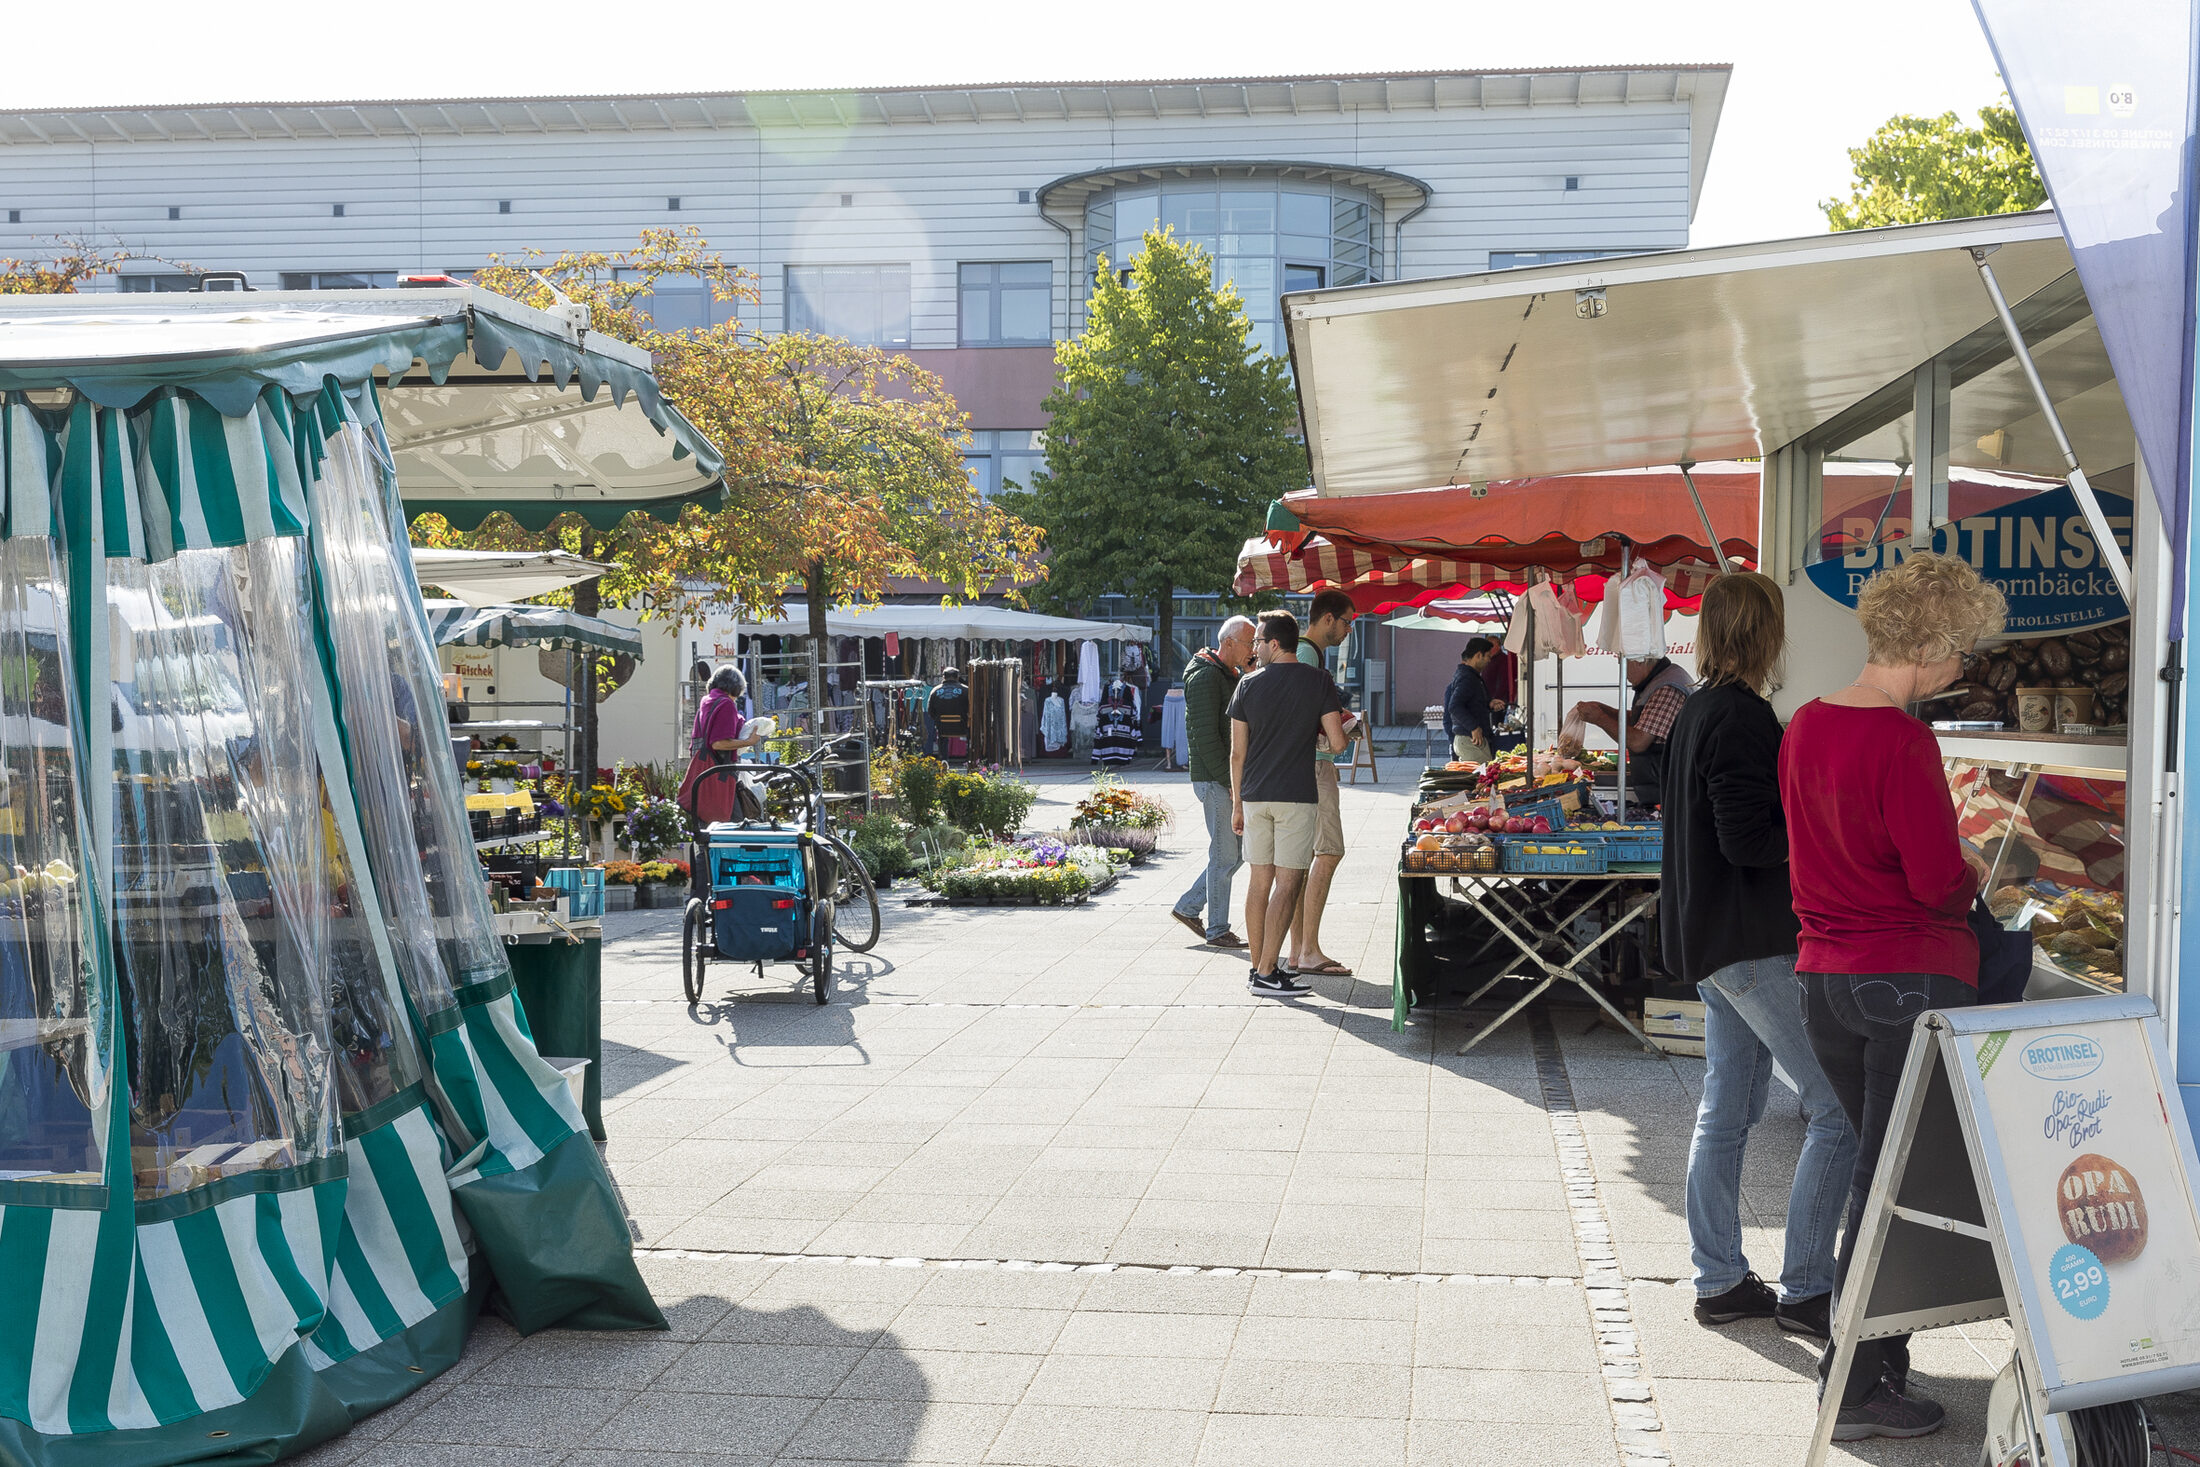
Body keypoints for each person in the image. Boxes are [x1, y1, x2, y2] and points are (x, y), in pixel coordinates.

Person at [1779, 551, 2006, 1443]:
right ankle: (1855, 1383)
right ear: (1935, 642)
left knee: (1877, 1173)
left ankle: (1875, 1359)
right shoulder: (1906, 740)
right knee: (1887, 1185)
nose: (1965, 666)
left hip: (1824, 977)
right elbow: (1932, 879)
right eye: (1964, 651)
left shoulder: (1805, 723)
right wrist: (1972, 870)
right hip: (1906, 972)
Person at [1663, 572, 1855, 1347]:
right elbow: (1747, 840)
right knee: (1836, 1105)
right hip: (1750, 944)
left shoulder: (1697, 709)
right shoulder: (1741, 717)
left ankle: (1720, 1280)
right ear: (1765, 633)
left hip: (1712, 942)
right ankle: (1808, 1287)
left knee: (1727, 1111)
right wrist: (1823, 831)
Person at [1228, 611, 1346, 997]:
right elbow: (1338, 743)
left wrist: (1237, 804)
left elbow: (1236, 754)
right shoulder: (1319, 681)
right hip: (1296, 795)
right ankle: (1267, 973)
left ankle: (1256, 968)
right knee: (1289, 881)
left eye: (1258, 642)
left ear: (1274, 644)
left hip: (1255, 794)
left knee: (1259, 881)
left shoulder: (1247, 685)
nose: (1256, 649)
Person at [1283, 589, 1358, 978]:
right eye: (1347, 621)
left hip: (1301, 766)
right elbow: (1311, 718)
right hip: (1315, 766)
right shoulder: (1310, 654)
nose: (1348, 630)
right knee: (1328, 852)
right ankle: (1308, 948)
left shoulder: (1305, 652)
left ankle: (1299, 949)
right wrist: (1343, 725)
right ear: (1328, 618)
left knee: (1304, 858)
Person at [1172, 617, 1257, 948]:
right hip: (1216, 778)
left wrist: (1249, 674)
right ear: (1230, 643)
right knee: (1225, 857)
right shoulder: (1207, 676)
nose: (1253, 649)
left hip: (1222, 778)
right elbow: (1206, 739)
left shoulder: (1226, 673)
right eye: (1250, 643)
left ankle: (1189, 907)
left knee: (1233, 855)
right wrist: (1232, 784)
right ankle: (1217, 929)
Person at [1567, 653, 1694, 808]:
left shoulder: (1668, 688)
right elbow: (1642, 720)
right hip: (1661, 788)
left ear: (1638, 661)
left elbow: (1638, 742)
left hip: (1671, 792)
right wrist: (1604, 710)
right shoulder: (1658, 681)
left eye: (1624, 664)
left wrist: (1600, 718)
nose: (1624, 673)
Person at [680, 664, 763, 825]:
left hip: (703, 771)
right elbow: (718, 743)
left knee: (708, 827)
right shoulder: (726, 704)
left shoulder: (708, 700)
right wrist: (748, 741)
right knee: (735, 825)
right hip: (720, 773)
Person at [1443, 637, 1502, 762]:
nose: (1489, 660)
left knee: (1483, 776)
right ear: (1478, 655)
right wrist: (1474, 727)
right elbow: (1454, 706)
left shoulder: (1472, 676)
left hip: (1469, 739)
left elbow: (1471, 702)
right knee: (1481, 777)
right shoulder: (1467, 678)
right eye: (1488, 656)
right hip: (1470, 740)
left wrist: (1489, 703)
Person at [929, 666, 971, 758]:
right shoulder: (966, 690)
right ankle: (971, 759)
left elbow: (931, 712)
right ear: (957, 677)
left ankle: (944, 759)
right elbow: (971, 710)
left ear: (943, 677)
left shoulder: (934, 691)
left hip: (943, 728)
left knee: (941, 736)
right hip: (962, 727)